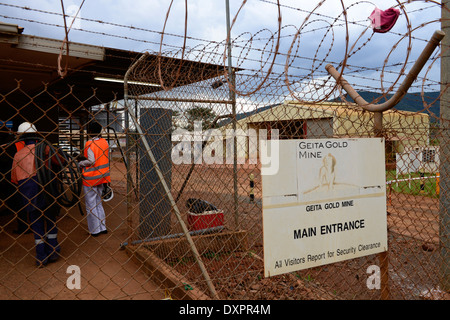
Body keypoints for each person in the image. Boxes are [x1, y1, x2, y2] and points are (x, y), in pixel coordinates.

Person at [11, 122, 61, 267]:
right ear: (36, 135)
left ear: (21, 138)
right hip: (47, 190)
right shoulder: (45, 149)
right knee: (50, 219)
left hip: (29, 192)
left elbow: (14, 179)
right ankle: (53, 250)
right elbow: (60, 162)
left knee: (37, 224)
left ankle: (41, 256)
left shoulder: (17, 155)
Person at [79, 121, 110, 237]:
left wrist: (81, 163)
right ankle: (103, 227)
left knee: (91, 205)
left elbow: (91, 161)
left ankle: (94, 230)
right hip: (102, 177)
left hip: (90, 178)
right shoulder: (104, 142)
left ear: (90, 132)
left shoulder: (89, 144)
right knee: (98, 203)